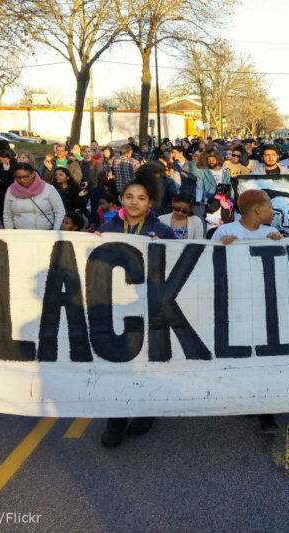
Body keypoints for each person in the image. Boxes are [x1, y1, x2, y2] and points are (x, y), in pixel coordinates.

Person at [96, 175, 178, 447]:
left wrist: (163, 250)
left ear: (150, 203)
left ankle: (145, 410)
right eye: (129, 196)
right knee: (117, 363)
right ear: (121, 199)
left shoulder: (163, 231)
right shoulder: (106, 227)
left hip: (150, 305)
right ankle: (115, 419)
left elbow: (178, 264)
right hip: (114, 308)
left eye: (141, 198)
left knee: (147, 362)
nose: (134, 202)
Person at [210, 189, 283, 434]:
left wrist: (279, 244)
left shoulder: (270, 234)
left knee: (265, 358)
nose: (273, 211)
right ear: (257, 210)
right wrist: (222, 248)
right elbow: (209, 265)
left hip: (264, 305)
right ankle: (246, 397)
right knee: (243, 357)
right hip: (236, 306)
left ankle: (266, 412)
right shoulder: (224, 232)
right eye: (270, 207)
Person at [3, 163, 65, 230]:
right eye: (19, 177)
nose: (22, 180)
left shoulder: (48, 189)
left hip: (46, 232)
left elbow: (60, 212)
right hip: (20, 234)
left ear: (33, 174)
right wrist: (10, 233)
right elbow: (7, 215)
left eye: (25, 176)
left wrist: (56, 231)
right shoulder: (11, 190)